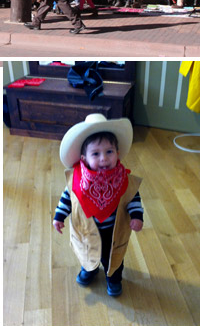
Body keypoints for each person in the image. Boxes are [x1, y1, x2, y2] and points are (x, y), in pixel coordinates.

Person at [53, 114, 143, 297]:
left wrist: (137, 217)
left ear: (117, 153)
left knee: (114, 258)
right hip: (86, 229)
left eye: (109, 152)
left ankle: (114, 278)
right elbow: (67, 199)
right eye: (96, 153)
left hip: (113, 230)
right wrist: (59, 217)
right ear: (84, 158)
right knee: (88, 254)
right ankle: (90, 270)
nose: (103, 158)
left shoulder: (123, 180)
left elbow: (133, 198)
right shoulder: (76, 181)